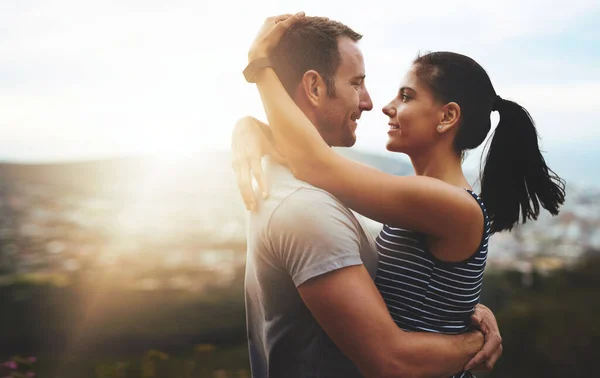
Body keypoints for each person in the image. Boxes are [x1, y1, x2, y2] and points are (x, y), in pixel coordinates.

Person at [233, 14, 505, 378]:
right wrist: (253, 128)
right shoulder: (418, 202)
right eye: (358, 83)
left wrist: (260, 68)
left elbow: (318, 164)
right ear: (314, 87)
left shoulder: (450, 203)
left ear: (447, 117)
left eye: (406, 96)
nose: (382, 105)